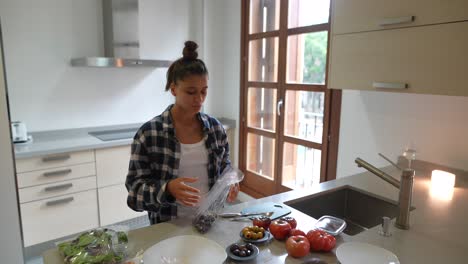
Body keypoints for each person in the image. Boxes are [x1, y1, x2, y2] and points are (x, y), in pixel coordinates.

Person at [125, 40, 239, 225]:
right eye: (191, 92)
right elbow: (134, 194)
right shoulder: (150, 134)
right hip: (167, 228)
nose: (199, 99)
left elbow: (225, 168)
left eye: (204, 91)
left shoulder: (216, 129)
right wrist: (168, 189)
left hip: (208, 224)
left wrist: (230, 183)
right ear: (173, 89)